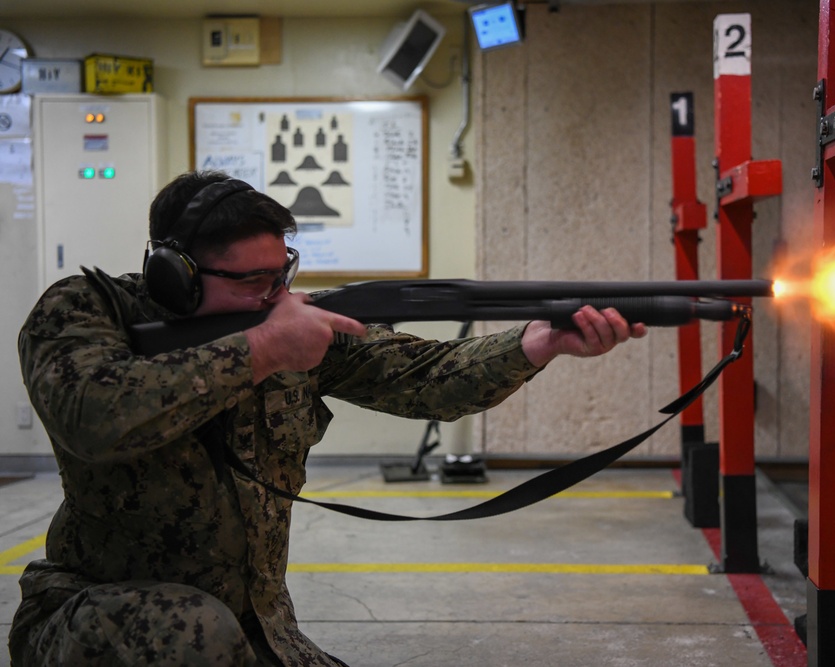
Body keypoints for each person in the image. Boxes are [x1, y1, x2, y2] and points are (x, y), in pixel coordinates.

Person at [8, 170, 646, 666]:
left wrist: (537, 343)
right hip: (100, 623)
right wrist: (257, 352)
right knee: (194, 634)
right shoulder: (86, 310)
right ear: (175, 276)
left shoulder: (283, 324)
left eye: (282, 272)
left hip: (257, 630)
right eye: (254, 281)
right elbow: (92, 413)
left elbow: (424, 380)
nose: (276, 296)